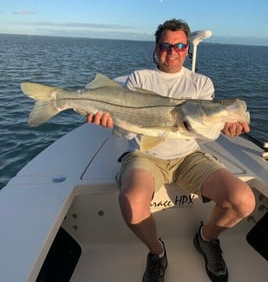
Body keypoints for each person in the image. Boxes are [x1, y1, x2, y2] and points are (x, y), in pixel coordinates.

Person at [87, 19, 255, 282]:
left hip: (189, 157)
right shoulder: (140, 78)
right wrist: (112, 121)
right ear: (156, 48)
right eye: (166, 45)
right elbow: (129, 132)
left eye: (179, 45)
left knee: (244, 200)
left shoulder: (201, 83)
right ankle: (157, 252)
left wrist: (223, 126)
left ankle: (207, 238)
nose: (172, 51)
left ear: (188, 48)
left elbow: (205, 130)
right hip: (145, 155)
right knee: (131, 202)